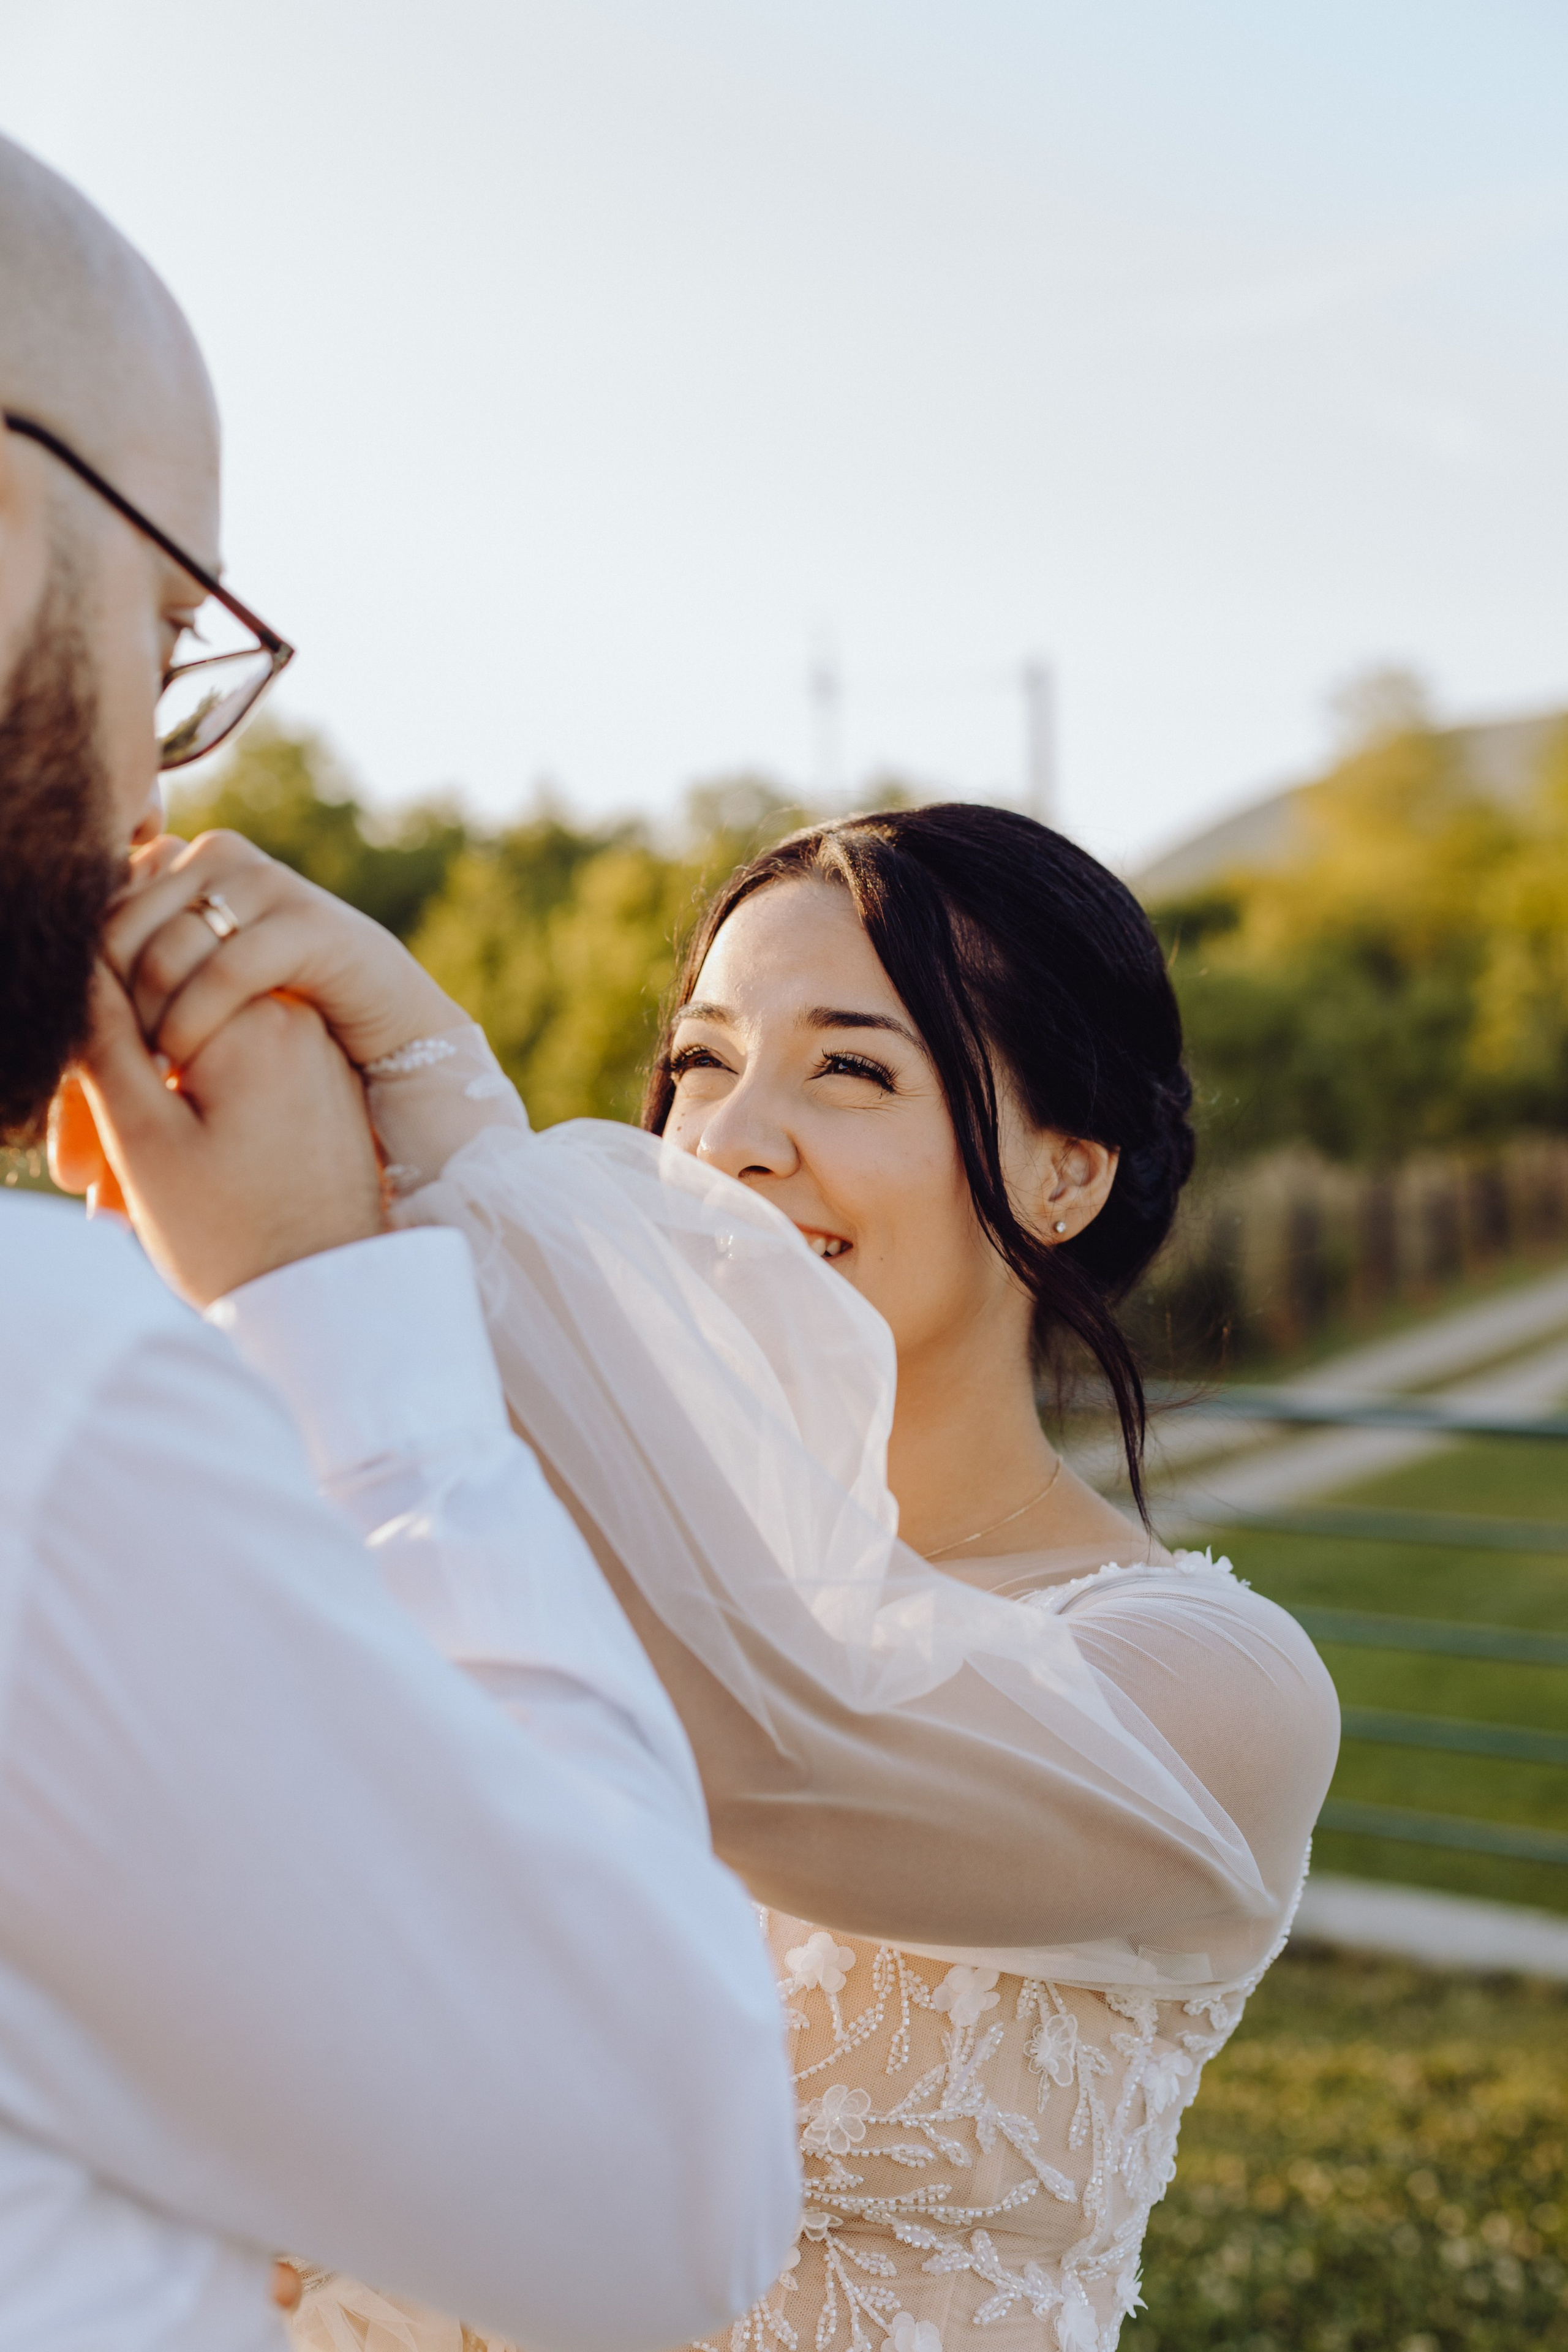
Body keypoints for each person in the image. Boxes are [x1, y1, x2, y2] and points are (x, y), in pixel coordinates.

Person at [100, 804, 1340, 2352]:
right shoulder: (513, 1557)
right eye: (700, 1064)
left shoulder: (1214, 1687)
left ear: (1063, 1177)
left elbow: (779, 1748)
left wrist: (428, 1117)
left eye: (850, 1068)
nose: (732, 1140)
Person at [0, 133, 801, 2352]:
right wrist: (339, 1327)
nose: (148, 806)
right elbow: (669, 2185)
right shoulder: (41, 1395)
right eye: (164, 633)